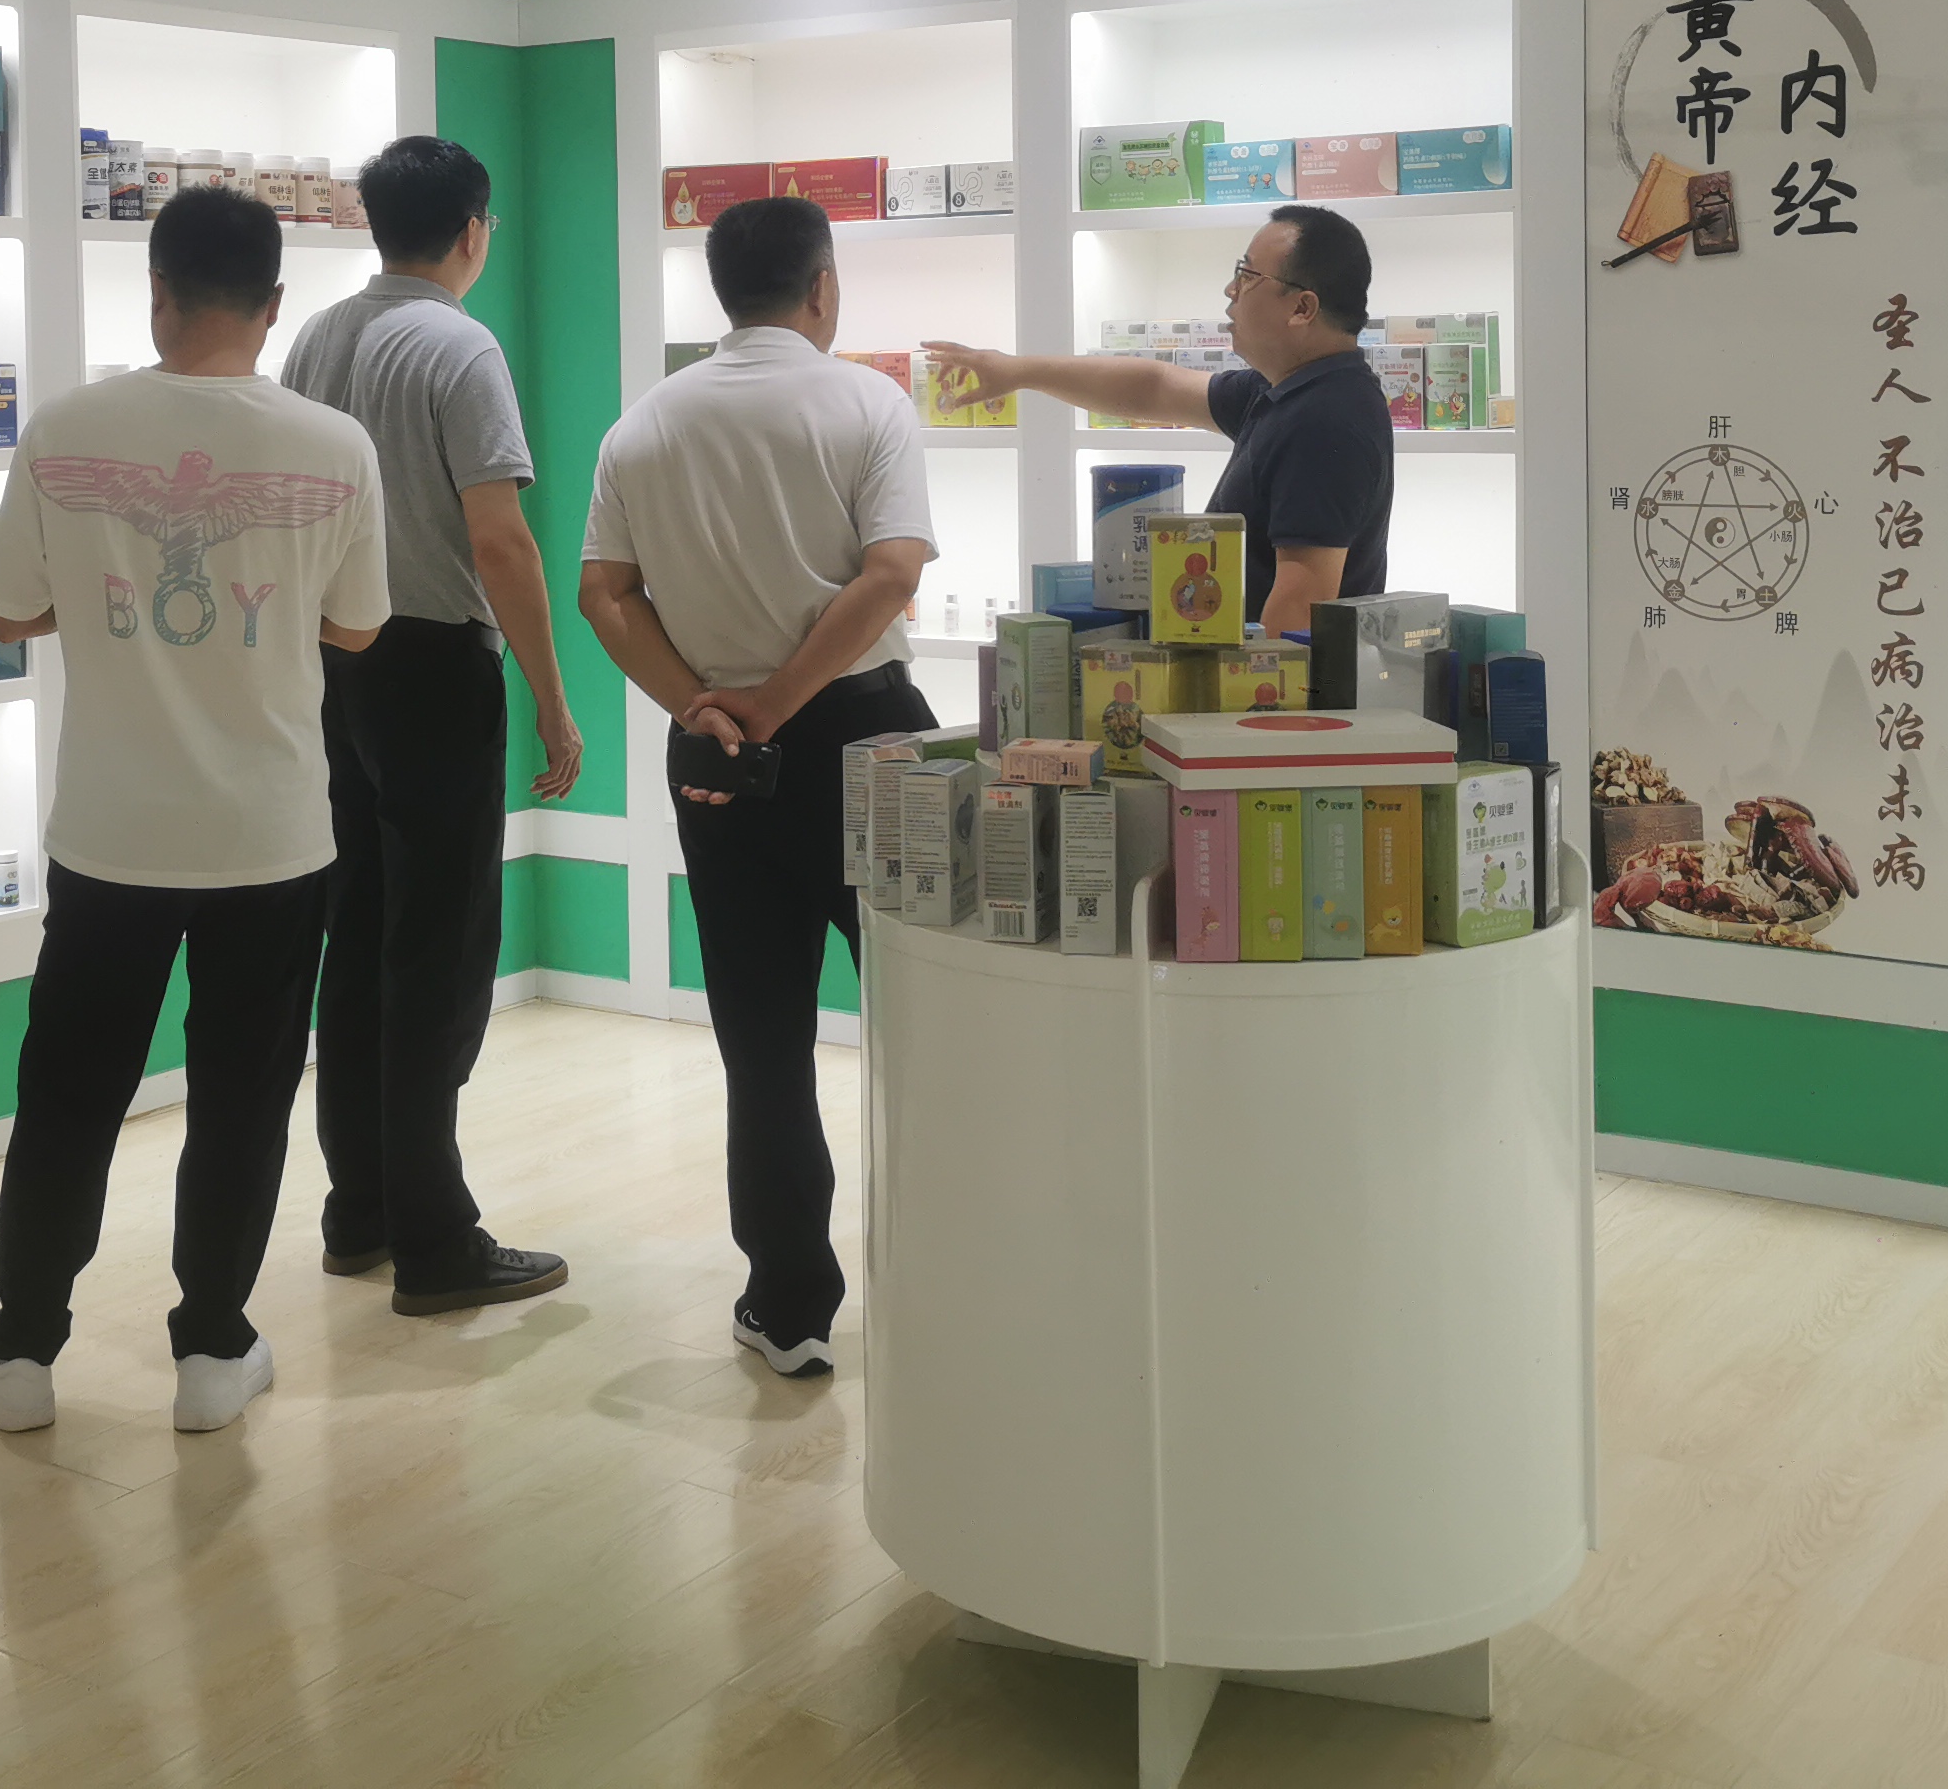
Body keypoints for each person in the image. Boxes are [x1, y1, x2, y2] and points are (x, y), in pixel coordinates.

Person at [0, 185, 388, 1437]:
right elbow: (358, 626)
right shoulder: (334, 446)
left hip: (112, 834)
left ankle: (21, 1354)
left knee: (69, 1095)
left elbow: (11, 610)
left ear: (156, 292)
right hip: (271, 835)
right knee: (245, 1095)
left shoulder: (68, 428)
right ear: (274, 304)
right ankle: (212, 1349)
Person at [577, 196, 935, 1380]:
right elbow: (891, 576)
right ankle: (950, 1284)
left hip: (719, 754)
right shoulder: (868, 404)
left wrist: (703, 707)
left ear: (722, 292)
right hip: (870, 737)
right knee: (928, 1023)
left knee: (763, 1035)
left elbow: (604, 594)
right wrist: (780, 700)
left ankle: (787, 1308)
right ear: (822, 288)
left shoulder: (644, 425)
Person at [279, 134, 580, 1315]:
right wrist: (553, 699)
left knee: (357, 935)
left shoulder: (315, 337)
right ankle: (436, 1239)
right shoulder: (460, 346)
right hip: (434, 667)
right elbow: (499, 541)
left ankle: (359, 1210)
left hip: (333, 658)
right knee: (439, 953)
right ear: (471, 231)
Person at [930, 202, 1390, 639]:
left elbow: (1298, 612)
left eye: (1247, 276)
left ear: (1302, 308)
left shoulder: (1324, 420)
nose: (1230, 291)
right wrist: (1018, 372)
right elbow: (1155, 387)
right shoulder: (1287, 392)